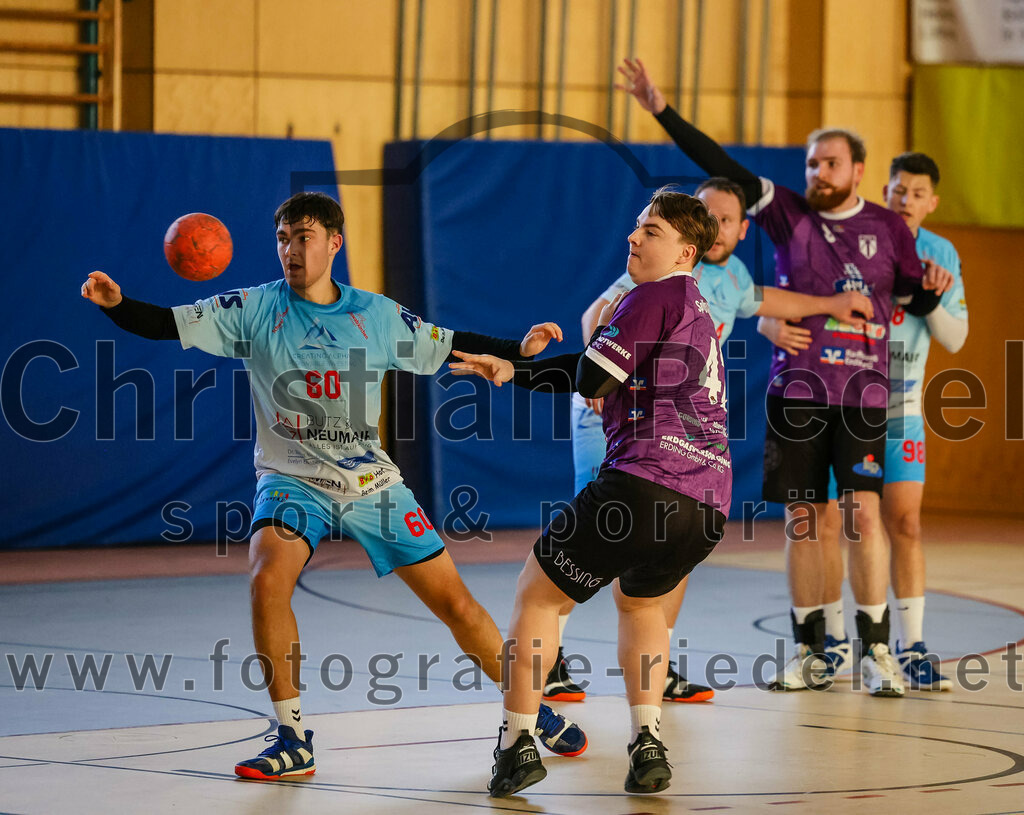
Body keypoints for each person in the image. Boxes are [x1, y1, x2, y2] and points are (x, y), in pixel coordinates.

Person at [80, 191, 587, 780]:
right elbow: (166, 324)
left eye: (304, 238)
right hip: (291, 479)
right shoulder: (252, 308)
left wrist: (518, 350)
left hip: (371, 482)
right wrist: (117, 306)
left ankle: (532, 709)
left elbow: (450, 342)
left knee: (456, 605)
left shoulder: (375, 316)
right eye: (283, 239)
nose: (291, 250)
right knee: (267, 578)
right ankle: (292, 737)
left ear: (333, 244)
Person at [616, 57, 953, 698]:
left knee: (863, 515)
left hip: (862, 391)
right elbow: (719, 162)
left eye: (831, 163)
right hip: (796, 389)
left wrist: (934, 289)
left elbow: (914, 295)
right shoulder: (787, 213)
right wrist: (661, 110)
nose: (819, 172)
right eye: (812, 163)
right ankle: (814, 651)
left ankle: (879, 650)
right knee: (805, 520)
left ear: (857, 169)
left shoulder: (887, 227)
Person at [547, 176, 874, 705]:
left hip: (672, 438)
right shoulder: (659, 273)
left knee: (671, 549)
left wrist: (827, 304)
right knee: (595, 536)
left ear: (742, 230)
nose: (716, 226)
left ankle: (657, 667)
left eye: (726, 219)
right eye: (707, 214)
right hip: (612, 413)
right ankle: (550, 660)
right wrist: (600, 377)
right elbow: (594, 317)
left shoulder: (731, 277)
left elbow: (765, 300)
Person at [451, 188, 730, 796]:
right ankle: (648, 742)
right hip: (708, 504)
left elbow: (594, 378)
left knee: (538, 594)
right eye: (636, 226)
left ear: (686, 251)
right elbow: (600, 373)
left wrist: (563, 348)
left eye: (651, 231)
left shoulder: (650, 296)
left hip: (644, 484)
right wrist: (515, 369)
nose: (633, 237)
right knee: (642, 606)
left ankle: (518, 743)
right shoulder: (695, 308)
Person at [759, 152, 967, 690]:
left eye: (917, 194)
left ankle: (910, 646)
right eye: (897, 190)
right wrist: (768, 325)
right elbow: (779, 298)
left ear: (932, 202)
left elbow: (955, 338)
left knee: (902, 523)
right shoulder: (851, 237)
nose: (905, 201)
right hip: (840, 402)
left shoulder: (939, 254)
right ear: (882, 189)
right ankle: (829, 645)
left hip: (900, 413)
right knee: (823, 523)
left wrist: (930, 296)